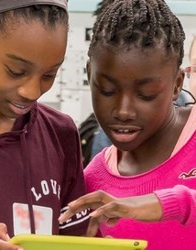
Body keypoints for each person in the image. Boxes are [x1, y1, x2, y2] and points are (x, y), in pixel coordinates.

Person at [0, 0, 89, 249]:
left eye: (49, 75)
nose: (32, 91)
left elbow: (73, 240)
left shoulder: (60, 133)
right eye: (15, 71)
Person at [59, 0, 196, 249]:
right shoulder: (92, 182)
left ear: (177, 85)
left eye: (146, 94)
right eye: (107, 91)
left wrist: (169, 203)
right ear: (90, 75)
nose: (123, 111)